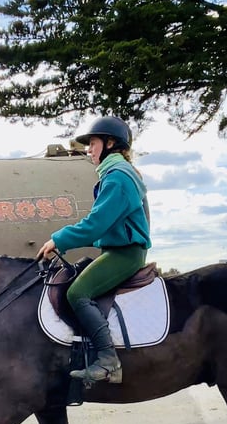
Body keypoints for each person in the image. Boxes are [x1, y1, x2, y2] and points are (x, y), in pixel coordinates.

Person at [36, 116, 151, 384]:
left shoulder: (119, 177)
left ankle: (109, 362)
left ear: (110, 143)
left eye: (93, 143)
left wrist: (58, 240)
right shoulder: (116, 174)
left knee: (78, 293)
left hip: (126, 254)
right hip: (116, 251)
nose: (88, 150)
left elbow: (96, 224)